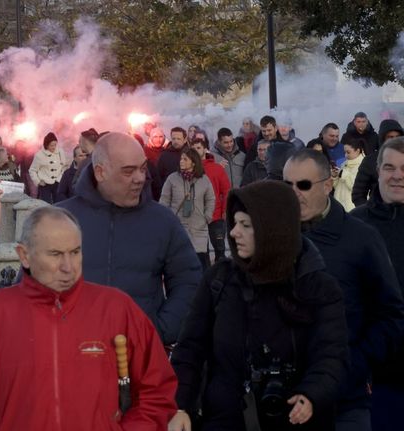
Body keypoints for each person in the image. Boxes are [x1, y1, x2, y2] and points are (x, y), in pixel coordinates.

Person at [0, 206, 178, 430]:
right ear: (24, 256)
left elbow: (156, 389)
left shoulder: (116, 308)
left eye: (75, 252)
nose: (69, 267)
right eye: (55, 254)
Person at [169, 180, 349, 431]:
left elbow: (331, 354)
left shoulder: (317, 286)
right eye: (234, 223)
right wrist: (180, 405)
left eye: (246, 225)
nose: (233, 232)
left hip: (291, 417)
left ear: (272, 229)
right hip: (223, 419)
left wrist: (311, 394)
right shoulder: (219, 280)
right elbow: (190, 349)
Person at [283, 149, 404, 431]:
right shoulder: (270, 238)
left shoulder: (359, 237)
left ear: (327, 185)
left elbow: (389, 315)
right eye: (286, 185)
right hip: (286, 396)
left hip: (346, 395)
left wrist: (351, 365)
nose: (293, 193)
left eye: (302, 185)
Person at [57, 132, 201, 346]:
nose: (140, 178)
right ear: (100, 172)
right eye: (128, 171)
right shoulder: (60, 220)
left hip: (140, 359)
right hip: (71, 354)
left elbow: (188, 281)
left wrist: (159, 331)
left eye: (143, 168)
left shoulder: (162, 220)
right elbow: (31, 286)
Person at [350, 138, 404, 431]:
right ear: (378, 172)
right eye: (389, 167)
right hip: (374, 374)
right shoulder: (354, 227)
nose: (397, 175)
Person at [160, 148, 216, 270]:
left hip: (198, 227)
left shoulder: (204, 180)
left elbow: (211, 199)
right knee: (180, 263)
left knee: (200, 263)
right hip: (178, 227)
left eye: (185, 159)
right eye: (181, 158)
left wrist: (207, 216)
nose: (181, 161)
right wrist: (168, 219)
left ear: (194, 162)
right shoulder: (172, 178)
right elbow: (164, 200)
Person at [191, 139, 231, 262]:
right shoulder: (188, 170)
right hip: (197, 216)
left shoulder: (216, 169)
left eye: (198, 148)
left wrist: (225, 210)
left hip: (216, 216)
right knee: (202, 252)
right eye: (193, 149)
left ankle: (222, 276)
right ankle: (205, 277)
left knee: (220, 250)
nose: (196, 151)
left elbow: (226, 190)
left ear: (204, 149)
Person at [352, 119, 403, 206]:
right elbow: (358, 194)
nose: (394, 141)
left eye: (397, 137)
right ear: (383, 139)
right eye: (390, 137)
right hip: (380, 213)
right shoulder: (370, 161)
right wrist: (371, 213)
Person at [29, 132, 66, 204]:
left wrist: (60, 178)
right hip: (45, 184)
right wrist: (38, 181)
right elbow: (32, 170)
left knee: (59, 204)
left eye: (55, 145)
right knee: (46, 205)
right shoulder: (39, 155)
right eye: (51, 145)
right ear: (46, 145)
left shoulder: (60, 152)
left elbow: (64, 166)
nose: (53, 147)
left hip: (57, 182)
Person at [333, 138, 365, 211]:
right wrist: (335, 176)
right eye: (345, 152)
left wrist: (342, 173)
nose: (345, 155)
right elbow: (336, 186)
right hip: (339, 205)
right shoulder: (344, 164)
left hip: (352, 207)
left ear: (358, 151)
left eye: (348, 152)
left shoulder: (364, 165)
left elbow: (356, 186)